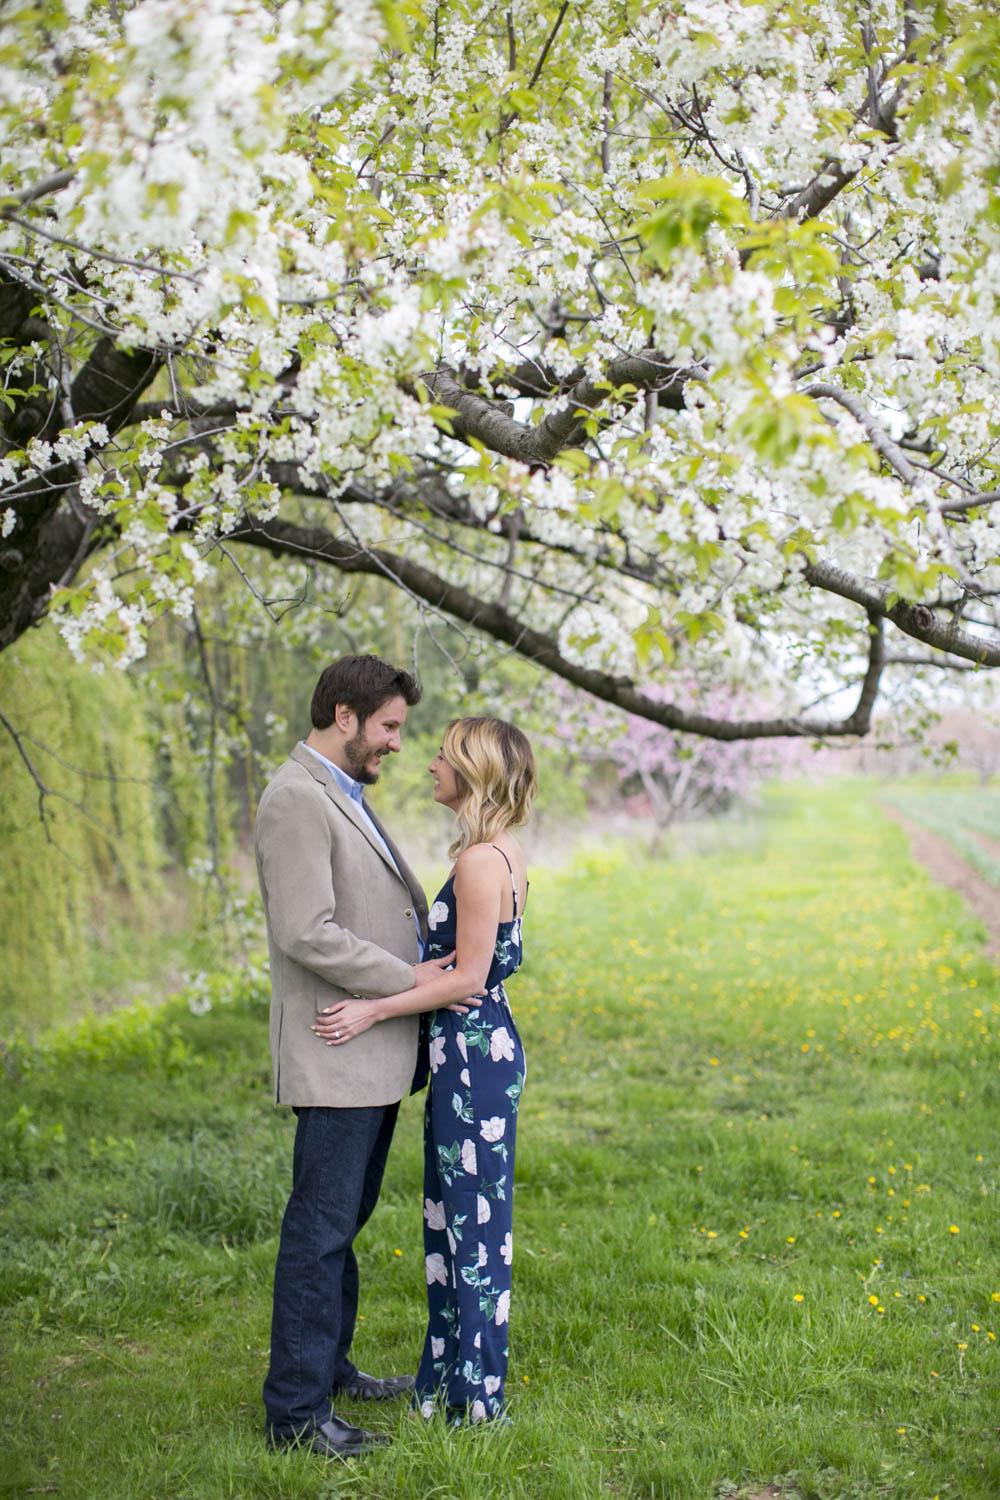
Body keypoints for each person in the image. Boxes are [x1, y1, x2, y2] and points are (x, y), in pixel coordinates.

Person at [254, 654, 456, 1459]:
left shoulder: (342, 793)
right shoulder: (295, 799)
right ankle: (296, 1419)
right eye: (389, 727)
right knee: (320, 1231)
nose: (397, 744)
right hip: (336, 1045)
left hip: (370, 1050)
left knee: (343, 1224)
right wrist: (412, 978)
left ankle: (329, 1369)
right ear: (345, 715)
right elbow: (305, 930)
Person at [313, 716, 537, 1424]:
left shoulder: (479, 863)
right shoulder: (499, 851)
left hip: (472, 1057)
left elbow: (466, 977)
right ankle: (447, 1385)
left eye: (442, 755)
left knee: (468, 1227)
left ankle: (476, 1401)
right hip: (475, 1052)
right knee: (456, 1220)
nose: (428, 763)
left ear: (472, 772)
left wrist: (373, 1010)